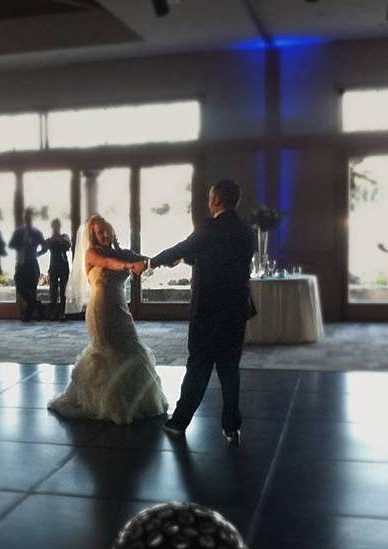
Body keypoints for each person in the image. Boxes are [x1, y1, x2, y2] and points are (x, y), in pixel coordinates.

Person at [151, 180, 256, 445]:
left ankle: (179, 423)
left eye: (210, 197)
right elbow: (221, 258)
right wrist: (188, 257)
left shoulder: (209, 227)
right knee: (230, 369)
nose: (209, 202)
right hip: (235, 310)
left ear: (217, 199)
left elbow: (182, 249)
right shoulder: (246, 231)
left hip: (209, 310)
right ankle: (231, 427)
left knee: (198, 365)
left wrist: (151, 262)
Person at [48, 215, 167, 424]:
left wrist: (167, 260)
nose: (104, 234)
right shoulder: (92, 254)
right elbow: (109, 263)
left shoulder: (124, 253)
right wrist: (128, 266)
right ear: (92, 236)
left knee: (130, 346)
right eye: (98, 232)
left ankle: (134, 399)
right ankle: (105, 402)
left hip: (120, 307)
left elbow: (147, 261)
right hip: (101, 309)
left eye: (106, 230)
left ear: (111, 230)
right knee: (108, 349)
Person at [9, 208, 47, 322]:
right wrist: (21, 245)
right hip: (21, 262)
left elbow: (45, 247)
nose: (28, 219)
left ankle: (28, 315)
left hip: (32, 263)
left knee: (32, 289)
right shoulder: (18, 232)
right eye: (26, 217)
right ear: (24, 218)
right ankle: (39, 306)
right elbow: (11, 245)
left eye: (29, 217)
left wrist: (37, 254)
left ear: (32, 219)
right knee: (20, 285)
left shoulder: (37, 232)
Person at [44, 219, 71, 321]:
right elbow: (44, 249)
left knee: (63, 290)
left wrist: (58, 240)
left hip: (63, 265)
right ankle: (53, 313)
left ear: (59, 227)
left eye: (57, 226)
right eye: (54, 226)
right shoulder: (50, 239)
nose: (56, 228)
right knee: (53, 291)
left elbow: (69, 244)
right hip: (53, 266)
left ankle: (62, 313)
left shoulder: (64, 236)